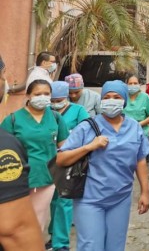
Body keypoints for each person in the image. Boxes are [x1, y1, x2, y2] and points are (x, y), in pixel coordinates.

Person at [56, 80, 149, 251]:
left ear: (124, 100)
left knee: (115, 246)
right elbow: (61, 159)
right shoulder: (87, 127)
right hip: (90, 199)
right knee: (91, 246)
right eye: (107, 97)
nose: (111, 100)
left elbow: (140, 159)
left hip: (120, 198)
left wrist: (145, 192)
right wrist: (89, 147)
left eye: (116, 97)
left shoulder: (134, 127)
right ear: (101, 100)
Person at [0, 80, 68, 233]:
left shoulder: (56, 118)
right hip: (16, 178)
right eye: (38, 94)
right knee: (14, 221)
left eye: (46, 94)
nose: (42, 97)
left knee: (37, 221)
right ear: (28, 95)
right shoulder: (13, 120)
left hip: (46, 178)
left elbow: (65, 147)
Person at [0, 55, 45, 251]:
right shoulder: (5, 146)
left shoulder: (55, 118)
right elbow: (16, 230)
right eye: (2, 74)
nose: (5, 81)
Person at [48, 81, 89, 251]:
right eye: (53, 100)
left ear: (66, 97)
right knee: (51, 201)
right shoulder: (46, 112)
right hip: (50, 160)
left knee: (64, 201)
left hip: (70, 161)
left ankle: (60, 243)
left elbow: (87, 130)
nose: (56, 103)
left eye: (59, 100)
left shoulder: (79, 110)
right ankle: (53, 234)